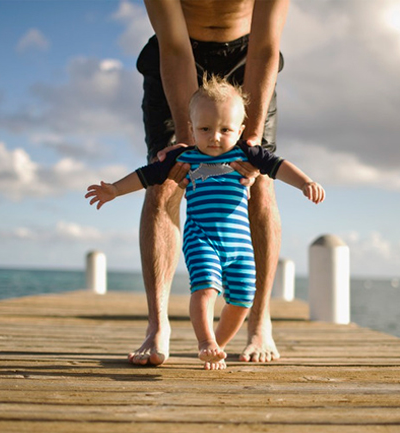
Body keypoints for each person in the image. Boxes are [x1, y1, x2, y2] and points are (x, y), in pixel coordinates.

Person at [86, 77, 324, 370]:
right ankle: (205, 342)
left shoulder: (247, 154)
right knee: (206, 289)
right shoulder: (185, 157)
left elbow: (278, 166)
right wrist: (115, 189)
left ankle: (218, 347)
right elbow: (147, 175)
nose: (214, 137)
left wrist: (305, 182)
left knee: (242, 299)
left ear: (240, 129)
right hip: (202, 237)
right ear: (191, 125)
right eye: (205, 129)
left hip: (240, 246)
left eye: (225, 130)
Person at [131, 0, 291, 366]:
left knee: (262, 179)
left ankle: (259, 320)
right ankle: (157, 325)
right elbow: (173, 45)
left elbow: (266, 44)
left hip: (248, 56)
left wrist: (248, 149)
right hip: (178, 52)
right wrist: (188, 143)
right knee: (165, 181)